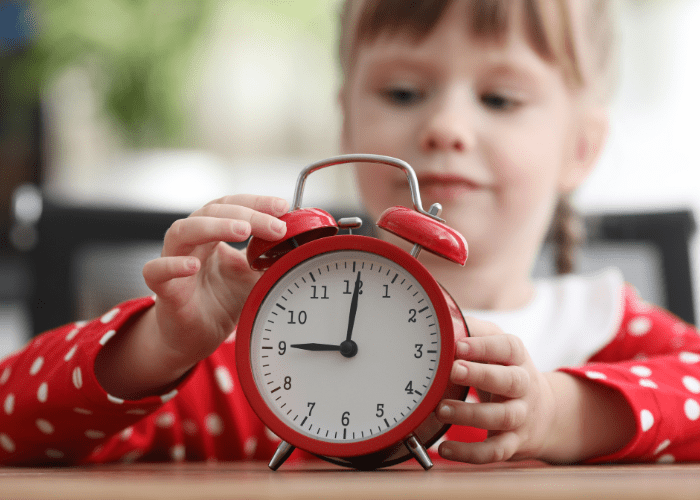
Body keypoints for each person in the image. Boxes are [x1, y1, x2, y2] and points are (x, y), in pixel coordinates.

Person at [2, 0, 700, 466]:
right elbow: (13, 425)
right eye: (402, 92)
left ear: (580, 146)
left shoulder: (609, 333)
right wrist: (160, 344)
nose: (445, 128)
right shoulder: (259, 350)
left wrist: (560, 413)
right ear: (347, 123)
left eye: (499, 98)